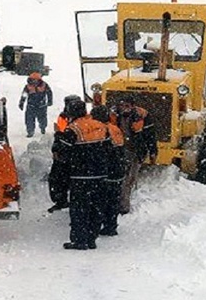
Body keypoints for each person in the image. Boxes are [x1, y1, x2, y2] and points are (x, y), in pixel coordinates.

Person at [52, 97, 111, 250]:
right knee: (96, 207)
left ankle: (80, 240)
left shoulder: (74, 129)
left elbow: (61, 150)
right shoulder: (101, 126)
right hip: (101, 174)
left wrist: (58, 135)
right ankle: (92, 238)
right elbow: (110, 148)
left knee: (79, 209)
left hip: (81, 175)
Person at [111, 95, 158, 214]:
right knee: (118, 179)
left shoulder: (142, 116)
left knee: (129, 180)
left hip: (135, 151)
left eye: (127, 106)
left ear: (133, 106)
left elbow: (150, 135)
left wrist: (153, 151)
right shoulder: (112, 115)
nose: (124, 108)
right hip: (117, 151)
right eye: (121, 105)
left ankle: (123, 207)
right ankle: (116, 205)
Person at [90, 104, 126, 236]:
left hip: (106, 171)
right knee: (113, 199)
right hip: (118, 169)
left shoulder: (100, 130)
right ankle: (111, 225)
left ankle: (99, 225)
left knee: (101, 200)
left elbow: (100, 151)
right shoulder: (115, 129)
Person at [18, 71, 53, 137]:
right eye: (32, 80)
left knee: (42, 119)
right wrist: (21, 103)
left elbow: (49, 93)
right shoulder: (27, 86)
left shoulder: (44, 85)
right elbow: (24, 95)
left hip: (42, 106)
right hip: (31, 106)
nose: (34, 81)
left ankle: (43, 128)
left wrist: (50, 101)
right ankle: (30, 132)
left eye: (36, 80)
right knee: (29, 120)